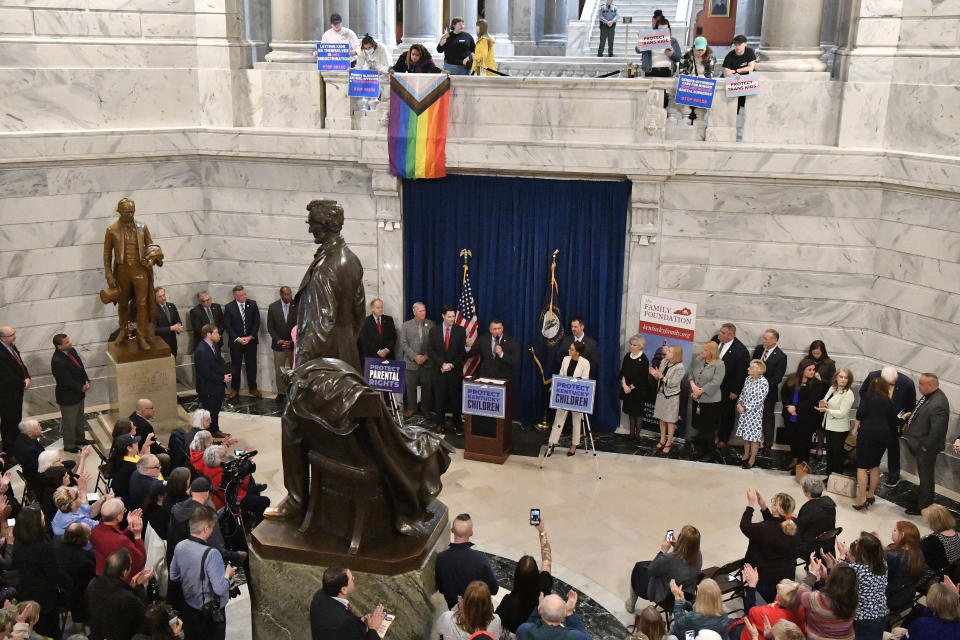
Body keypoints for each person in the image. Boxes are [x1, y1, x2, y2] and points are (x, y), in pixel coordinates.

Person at [102, 198, 163, 351]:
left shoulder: (143, 227)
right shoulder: (112, 230)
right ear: (119, 212)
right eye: (127, 212)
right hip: (123, 271)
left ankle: (141, 335)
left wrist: (153, 259)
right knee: (123, 303)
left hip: (140, 270)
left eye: (132, 212)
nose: (130, 215)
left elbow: (151, 246)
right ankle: (123, 331)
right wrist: (108, 273)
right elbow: (107, 254)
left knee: (142, 303)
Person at [169, 506, 234, 640]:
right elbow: (220, 588)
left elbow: (173, 575)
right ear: (205, 529)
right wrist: (228, 574)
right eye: (212, 527)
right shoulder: (212, 554)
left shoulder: (180, 546)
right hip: (209, 615)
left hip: (188, 607)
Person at [11, 505, 72, 638]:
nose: (44, 518)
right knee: (49, 630)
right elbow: (54, 573)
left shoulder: (18, 542)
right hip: (44, 599)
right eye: (42, 517)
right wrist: (69, 583)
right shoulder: (43, 547)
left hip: (25, 592)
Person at [165, 476, 245, 568]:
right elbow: (217, 550)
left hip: (176, 564)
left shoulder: (176, 508)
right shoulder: (208, 517)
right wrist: (237, 555)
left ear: (191, 491)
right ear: (207, 493)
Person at [858, 366, 916, 488]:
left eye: (892, 383)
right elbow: (862, 392)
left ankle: (894, 474)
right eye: (888, 384)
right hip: (873, 420)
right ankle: (869, 469)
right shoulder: (873, 376)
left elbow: (911, 405)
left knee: (893, 447)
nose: (890, 385)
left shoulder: (907, 384)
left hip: (892, 420)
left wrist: (904, 421)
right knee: (871, 449)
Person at [903, 373, 950, 515]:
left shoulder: (939, 404)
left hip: (926, 447)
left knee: (926, 477)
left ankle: (923, 505)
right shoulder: (928, 396)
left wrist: (925, 446)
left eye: (921, 384)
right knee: (924, 475)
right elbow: (921, 411)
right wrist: (910, 417)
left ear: (930, 386)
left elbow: (938, 430)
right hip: (920, 444)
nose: (918, 386)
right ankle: (922, 499)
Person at [496, 517, 553, 633]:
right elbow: (547, 561)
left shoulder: (508, 602)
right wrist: (542, 531)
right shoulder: (544, 588)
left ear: (516, 576)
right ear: (537, 574)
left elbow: (497, 624)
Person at [741, 489, 798, 603]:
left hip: (766, 578)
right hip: (786, 576)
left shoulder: (764, 529)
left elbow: (745, 526)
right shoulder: (794, 524)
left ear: (776, 508)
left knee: (765, 605)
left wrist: (751, 504)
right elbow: (775, 523)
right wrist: (763, 507)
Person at [626, 525, 702, 611]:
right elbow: (682, 562)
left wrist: (663, 550)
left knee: (638, 568)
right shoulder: (698, 555)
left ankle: (631, 603)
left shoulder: (668, 559)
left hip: (666, 596)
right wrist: (677, 546)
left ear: (681, 539)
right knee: (646, 564)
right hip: (687, 593)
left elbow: (651, 570)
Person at [435, 513, 499, 608]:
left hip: (454, 609)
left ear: (452, 530)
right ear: (471, 533)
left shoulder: (440, 558)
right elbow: (494, 589)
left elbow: (441, 589)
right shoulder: (480, 558)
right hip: (477, 610)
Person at [830, 533, 887, 638]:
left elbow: (839, 574)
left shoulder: (856, 570)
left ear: (863, 554)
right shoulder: (882, 564)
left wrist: (842, 556)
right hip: (880, 612)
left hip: (862, 617)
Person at [86, 547, 151, 640]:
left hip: (96, 634)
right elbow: (143, 617)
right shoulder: (127, 598)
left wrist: (131, 588)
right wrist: (139, 587)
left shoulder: (93, 584)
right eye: (131, 565)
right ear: (125, 572)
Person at [852, 375, 895, 510]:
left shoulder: (867, 397)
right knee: (875, 465)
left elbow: (860, 413)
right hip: (883, 434)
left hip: (867, 432)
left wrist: (855, 428)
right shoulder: (888, 400)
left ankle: (862, 498)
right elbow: (893, 419)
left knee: (862, 466)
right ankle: (871, 495)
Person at [731, 563, 805, 640]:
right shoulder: (802, 609)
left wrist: (751, 586)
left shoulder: (765, 613)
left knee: (732, 626)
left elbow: (749, 611)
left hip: (748, 635)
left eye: (778, 593)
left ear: (779, 599)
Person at [309, 566, 385, 640]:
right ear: (344, 590)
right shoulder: (345, 622)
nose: (354, 578)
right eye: (351, 579)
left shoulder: (319, 594)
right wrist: (373, 629)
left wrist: (360, 621)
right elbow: (344, 623)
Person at [197, 444, 269, 521]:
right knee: (265, 500)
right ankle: (256, 524)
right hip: (232, 502)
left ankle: (253, 501)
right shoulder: (224, 474)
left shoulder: (209, 467)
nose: (227, 456)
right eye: (224, 456)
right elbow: (243, 485)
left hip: (223, 497)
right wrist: (246, 467)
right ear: (218, 460)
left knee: (254, 489)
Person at [782, 358, 827, 474]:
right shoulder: (792, 378)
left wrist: (796, 408)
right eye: (810, 369)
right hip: (790, 415)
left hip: (806, 418)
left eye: (813, 369)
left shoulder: (816, 383)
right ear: (802, 370)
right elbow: (784, 393)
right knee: (792, 439)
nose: (812, 372)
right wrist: (788, 406)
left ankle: (802, 465)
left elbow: (812, 401)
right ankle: (795, 460)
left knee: (804, 442)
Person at [428, 305, 467, 435]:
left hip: (454, 371)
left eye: (453, 316)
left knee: (456, 399)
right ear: (443, 316)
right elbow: (431, 351)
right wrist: (442, 364)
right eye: (449, 316)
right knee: (439, 399)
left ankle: (458, 424)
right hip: (439, 371)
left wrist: (451, 365)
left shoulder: (461, 331)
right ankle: (440, 424)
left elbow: (462, 353)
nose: (452, 319)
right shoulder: (434, 331)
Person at [546, 341, 591, 457]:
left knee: (576, 421)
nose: (569, 350)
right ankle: (551, 444)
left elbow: (584, 380)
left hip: (576, 397)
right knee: (558, 419)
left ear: (578, 352)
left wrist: (573, 382)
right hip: (564, 395)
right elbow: (561, 374)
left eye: (571, 349)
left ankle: (574, 445)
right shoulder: (566, 359)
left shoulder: (585, 363)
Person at [50, 333, 93, 452]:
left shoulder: (71, 351)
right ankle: (69, 445)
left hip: (79, 393)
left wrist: (86, 380)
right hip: (68, 396)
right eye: (67, 343)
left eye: (69, 340)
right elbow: (65, 380)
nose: (70, 343)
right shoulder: (57, 360)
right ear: (59, 346)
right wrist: (80, 387)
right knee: (70, 422)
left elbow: (80, 367)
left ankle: (80, 438)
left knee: (79, 418)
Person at [797, 557, 858, 639]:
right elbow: (838, 592)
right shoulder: (853, 600)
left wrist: (813, 573)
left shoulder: (819, 599)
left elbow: (800, 595)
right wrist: (826, 579)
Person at [712, 323, 750, 448]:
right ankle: (711, 435)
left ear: (731, 335)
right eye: (720, 331)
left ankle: (723, 439)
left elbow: (741, 373)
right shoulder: (714, 341)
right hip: (712, 385)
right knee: (712, 412)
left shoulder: (741, 350)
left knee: (726, 414)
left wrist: (735, 391)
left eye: (722, 333)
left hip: (728, 388)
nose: (719, 334)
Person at [751, 330, 787, 454]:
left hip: (768, 394)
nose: (763, 341)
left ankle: (767, 445)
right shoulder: (759, 350)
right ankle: (754, 442)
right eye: (763, 338)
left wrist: (761, 386)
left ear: (774, 340)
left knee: (767, 419)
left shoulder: (781, 356)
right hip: (752, 391)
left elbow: (777, 378)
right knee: (753, 418)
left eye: (766, 339)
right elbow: (752, 366)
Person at [398, 302, 436, 417]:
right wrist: (415, 357)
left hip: (426, 362)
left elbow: (434, 344)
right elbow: (403, 344)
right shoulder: (406, 325)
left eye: (424, 310)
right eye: (420, 311)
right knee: (410, 387)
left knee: (427, 388)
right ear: (414, 312)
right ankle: (411, 408)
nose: (423, 313)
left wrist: (425, 357)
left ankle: (425, 410)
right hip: (410, 362)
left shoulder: (431, 324)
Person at [91, 497, 147, 575]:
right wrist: (138, 535)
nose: (124, 513)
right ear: (118, 517)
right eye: (123, 511)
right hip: (115, 579)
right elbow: (140, 562)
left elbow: (112, 537)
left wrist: (129, 529)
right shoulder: (121, 541)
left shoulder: (95, 530)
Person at [431, 580, 504, 639]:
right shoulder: (496, 620)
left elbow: (439, 630)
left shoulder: (447, 618)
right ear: (488, 603)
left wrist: (460, 608)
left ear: (465, 601)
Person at [816, 368, 855, 478]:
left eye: (846, 378)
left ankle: (836, 479)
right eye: (841, 377)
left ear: (849, 380)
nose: (843, 380)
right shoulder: (833, 388)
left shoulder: (848, 394)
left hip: (839, 429)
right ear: (836, 378)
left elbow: (842, 412)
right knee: (829, 454)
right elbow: (825, 400)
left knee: (837, 456)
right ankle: (829, 477)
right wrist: (822, 404)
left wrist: (827, 410)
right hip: (828, 425)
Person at [689, 341, 725, 460]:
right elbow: (690, 373)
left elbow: (716, 382)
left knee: (709, 428)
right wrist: (693, 386)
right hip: (697, 399)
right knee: (700, 426)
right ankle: (701, 450)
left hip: (711, 402)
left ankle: (710, 452)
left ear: (711, 352)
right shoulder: (698, 359)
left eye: (705, 350)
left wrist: (701, 390)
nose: (702, 352)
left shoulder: (719, 364)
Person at [194, 324, 232, 435]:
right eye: (216, 332)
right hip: (207, 387)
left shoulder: (214, 345)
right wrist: (222, 378)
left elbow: (219, 361)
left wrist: (227, 371)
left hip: (216, 385)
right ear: (208, 334)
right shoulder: (201, 350)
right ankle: (209, 433)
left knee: (215, 410)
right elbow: (205, 373)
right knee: (210, 411)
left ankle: (215, 430)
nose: (219, 335)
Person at [224, 284, 260, 399]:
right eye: (241, 295)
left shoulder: (252, 304)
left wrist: (250, 337)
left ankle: (253, 388)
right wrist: (238, 338)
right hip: (236, 343)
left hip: (251, 341)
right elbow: (228, 326)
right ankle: (235, 389)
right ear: (235, 296)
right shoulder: (229, 307)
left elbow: (257, 322)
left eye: (245, 294)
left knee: (251, 365)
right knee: (236, 366)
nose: (244, 296)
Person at [58, 522, 96, 631]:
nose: (89, 537)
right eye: (87, 535)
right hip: (78, 597)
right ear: (77, 539)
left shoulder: (57, 544)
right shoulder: (83, 561)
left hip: (62, 588)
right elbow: (92, 579)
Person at [0, 326, 30, 455]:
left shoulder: (11, 346)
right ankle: (9, 452)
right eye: (11, 335)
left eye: (14, 333)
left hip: (16, 391)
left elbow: (20, 364)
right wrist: (23, 383)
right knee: (9, 422)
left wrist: (27, 377)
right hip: (7, 394)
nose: (14, 336)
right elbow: (6, 375)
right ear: (2, 337)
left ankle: (16, 445)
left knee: (16, 419)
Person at [885, 521, 927, 614]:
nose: (892, 531)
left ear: (902, 535)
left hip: (890, 596)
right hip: (907, 594)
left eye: (895, 530)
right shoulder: (918, 553)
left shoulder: (893, 557)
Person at [650, 345, 685, 456]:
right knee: (661, 418)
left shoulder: (680, 367)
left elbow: (673, 383)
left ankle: (669, 443)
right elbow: (658, 377)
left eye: (669, 351)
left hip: (671, 396)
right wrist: (655, 374)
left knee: (670, 420)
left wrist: (661, 377)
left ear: (675, 355)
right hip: (660, 394)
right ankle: (662, 440)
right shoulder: (664, 361)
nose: (666, 353)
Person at [722, 34, 756, 142]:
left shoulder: (749, 52)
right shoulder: (730, 55)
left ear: (745, 44)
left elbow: (751, 67)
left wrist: (736, 71)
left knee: (747, 109)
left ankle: (746, 132)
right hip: (734, 85)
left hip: (747, 84)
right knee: (733, 109)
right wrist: (734, 74)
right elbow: (726, 72)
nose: (737, 47)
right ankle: (731, 132)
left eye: (739, 44)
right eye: (735, 44)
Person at [736, 359, 769, 469]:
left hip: (754, 415)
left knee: (754, 438)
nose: (748, 369)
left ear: (757, 370)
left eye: (750, 367)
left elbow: (759, 400)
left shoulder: (763, 382)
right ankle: (745, 455)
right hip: (744, 413)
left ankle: (752, 459)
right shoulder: (748, 379)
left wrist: (745, 408)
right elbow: (743, 393)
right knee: (746, 436)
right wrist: (739, 404)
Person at [795, 476, 836, 560]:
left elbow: (799, 530)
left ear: (808, 493)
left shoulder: (807, 508)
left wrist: (795, 520)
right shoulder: (830, 504)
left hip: (811, 548)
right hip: (827, 544)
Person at [516, 591, 589, 639]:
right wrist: (570, 613)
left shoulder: (524, 629)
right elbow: (585, 637)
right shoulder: (573, 636)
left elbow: (530, 624)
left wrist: (539, 608)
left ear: (539, 609)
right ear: (564, 614)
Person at [267, 286, 296, 403]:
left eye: (290, 294)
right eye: (286, 294)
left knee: (295, 370)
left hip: (293, 344)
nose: (288, 296)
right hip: (278, 345)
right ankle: (281, 393)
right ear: (281, 294)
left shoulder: (298, 305)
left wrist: (292, 341)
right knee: (279, 370)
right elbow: (270, 327)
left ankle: (294, 392)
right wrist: (279, 340)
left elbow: (301, 325)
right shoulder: (273, 307)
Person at [620, 334, 652, 439]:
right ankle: (631, 434)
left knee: (637, 413)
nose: (632, 346)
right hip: (627, 390)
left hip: (638, 391)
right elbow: (623, 372)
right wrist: (624, 386)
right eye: (631, 344)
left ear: (640, 346)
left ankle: (637, 436)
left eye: (635, 345)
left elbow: (643, 377)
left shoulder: (644, 359)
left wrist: (631, 387)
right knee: (630, 411)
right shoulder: (627, 356)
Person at [920, 504, 960, 574]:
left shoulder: (933, 541)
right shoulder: (954, 532)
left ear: (934, 522)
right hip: (949, 571)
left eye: (929, 521)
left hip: (930, 575)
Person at [358, 298, 398, 362]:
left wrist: (386, 350)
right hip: (372, 357)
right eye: (378, 308)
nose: (381, 309)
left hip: (388, 357)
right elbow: (364, 340)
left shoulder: (389, 320)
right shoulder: (365, 321)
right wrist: (378, 351)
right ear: (372, 308)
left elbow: (393, 337)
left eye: (382, 307)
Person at [108, 433, 141, 503]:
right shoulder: (133, 468)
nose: (137, 444)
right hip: (125, 502)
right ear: (129, 448)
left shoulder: (119, 460)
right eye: (135, 443)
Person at [12, 419, 44, 485]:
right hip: (37, 476)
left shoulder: (22, 437)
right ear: (30, 433)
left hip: (30, 470)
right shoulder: (29, 449)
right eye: (38, 427)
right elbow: (38, 466)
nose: (41, 428)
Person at [153, 287, 184, 356]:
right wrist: (171, 328)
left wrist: (179, 326)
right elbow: (154, 330)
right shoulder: (153, 310)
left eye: (164, 295)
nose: (163, 298)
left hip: (173, 343)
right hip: (161, 344)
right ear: (154, 298)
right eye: (160, 297)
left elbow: (178, 321)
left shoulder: (172, 306)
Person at [638, 8, 664, 73]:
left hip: (663, 67)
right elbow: (638, 50)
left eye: (655, 22)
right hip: (648, 68)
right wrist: (638, 47)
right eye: (653, 22)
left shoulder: (669, 38)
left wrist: (671, 53)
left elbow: (677, 56)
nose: (653, 24)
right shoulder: (647, 35)